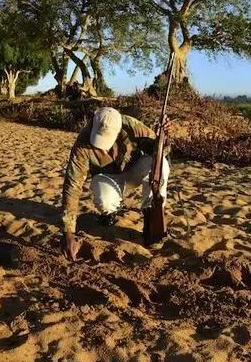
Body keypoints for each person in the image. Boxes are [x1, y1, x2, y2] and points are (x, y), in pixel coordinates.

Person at [61, 107, 170, 260]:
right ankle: (109, 214)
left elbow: (159, 152)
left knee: (161, 165)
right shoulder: (82, 144)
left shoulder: (132, 126)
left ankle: (151, 218)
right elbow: (72, 186)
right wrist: (68, 233)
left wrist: (163, 138)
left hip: (134, 171)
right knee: (104, 198)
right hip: (108, 178)